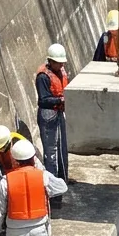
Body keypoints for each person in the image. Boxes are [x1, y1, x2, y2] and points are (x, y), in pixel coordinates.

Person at [35, 44, 72, 180]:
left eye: (62, 62)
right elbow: (43, 100)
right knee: (51, 152)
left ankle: (63, 178)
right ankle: (52, 182)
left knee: (62, 147)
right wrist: (59, 100)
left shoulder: (60, 71)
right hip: (48, 115)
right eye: (58, 63)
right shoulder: (43, 77)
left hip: (59, 113)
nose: (61, 65)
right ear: (51, 61)